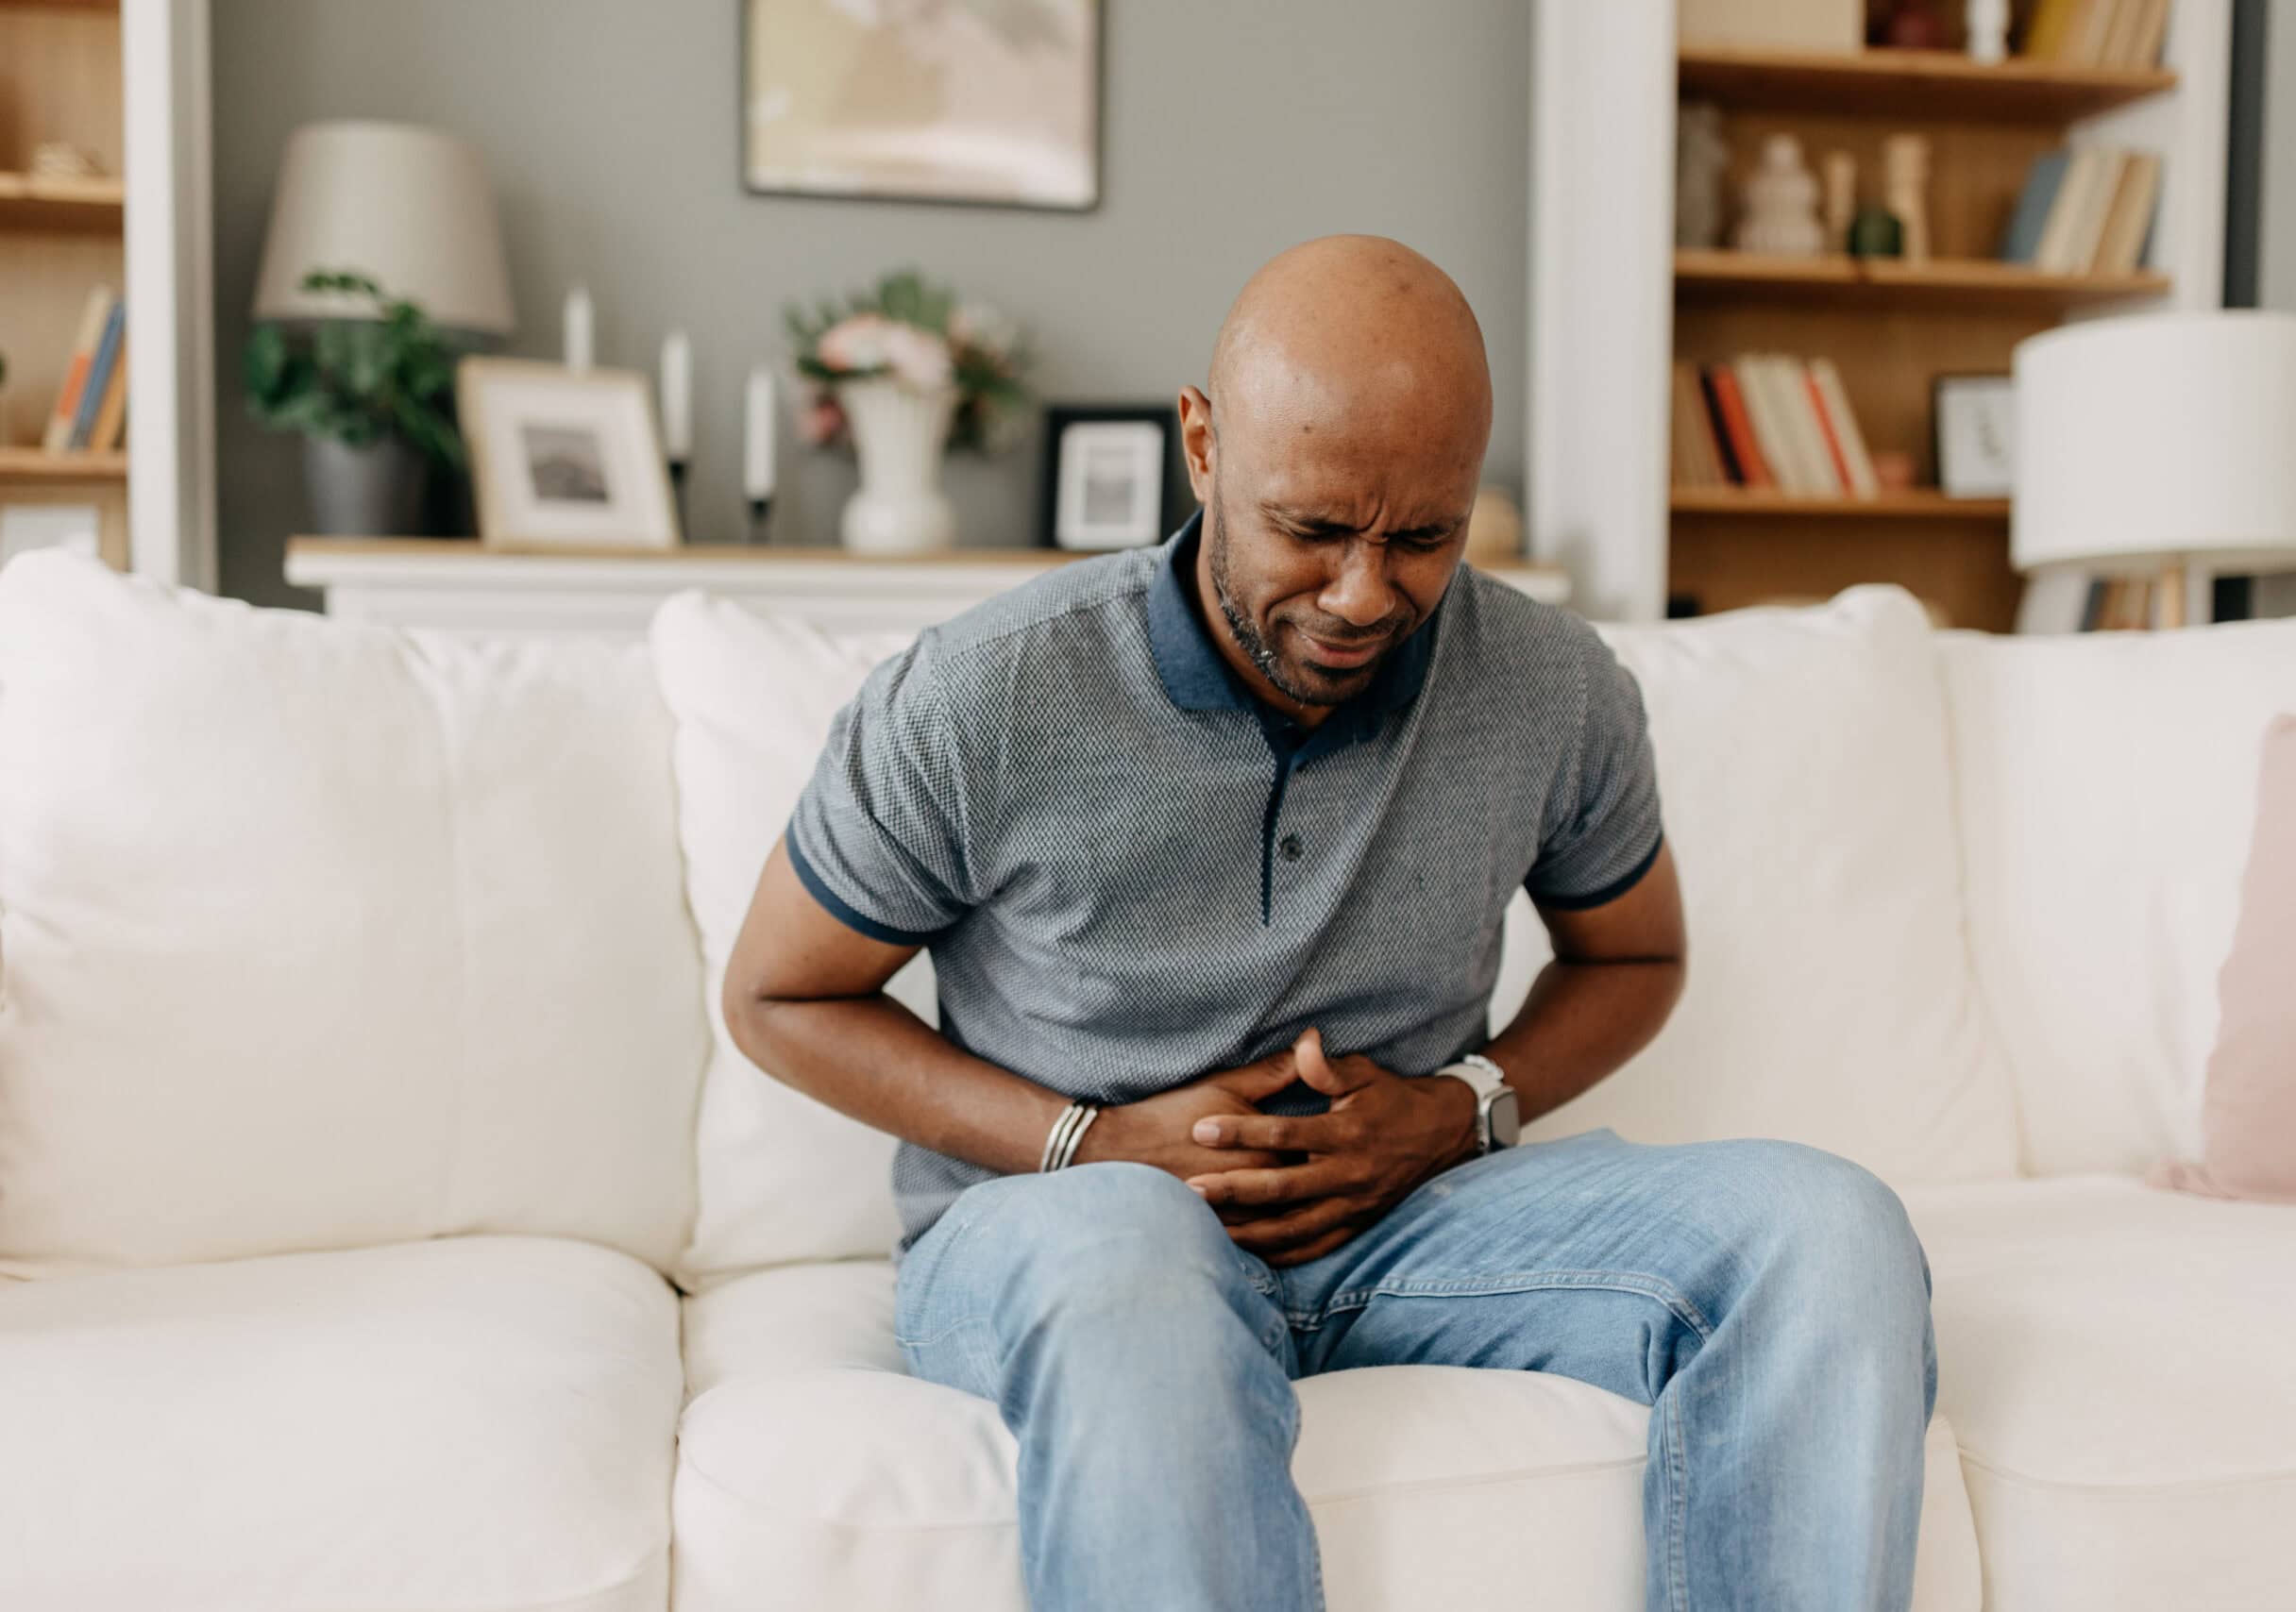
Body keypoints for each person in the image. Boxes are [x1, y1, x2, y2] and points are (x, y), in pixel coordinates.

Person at [722, 235, 1935, 1612]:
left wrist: (1464, 1107)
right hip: (1071, 1226)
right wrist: (1096, 1141)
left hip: (1417, 1220)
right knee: (1134, 1254)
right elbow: (777, 996)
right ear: (1202, 446)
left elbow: (1638, 955)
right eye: (1311, 530)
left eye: (1423, 537)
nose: (1366, 597)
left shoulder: (1554, 687)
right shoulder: (981, 698)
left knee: (1827, 1232)